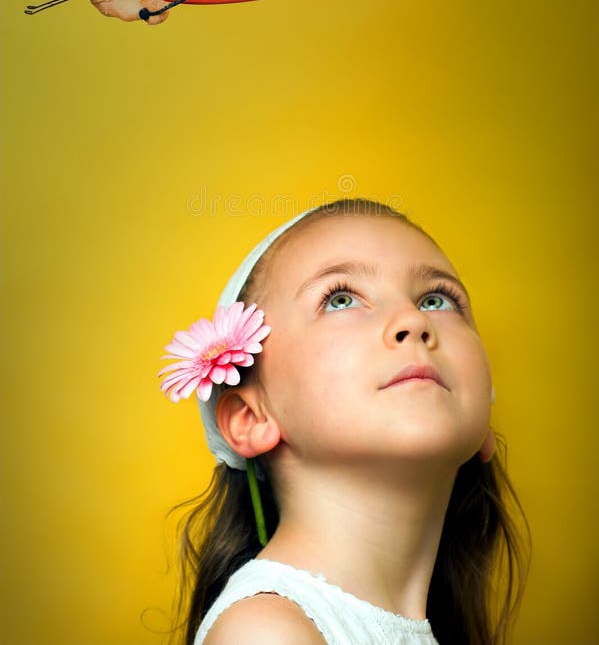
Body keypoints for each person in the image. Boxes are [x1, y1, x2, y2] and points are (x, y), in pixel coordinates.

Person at [160, 199, 529, 645]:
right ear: (251, 416)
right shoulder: (266, 634)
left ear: (484, 422)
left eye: (437, 300)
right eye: (339, 299)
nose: (412, 320)